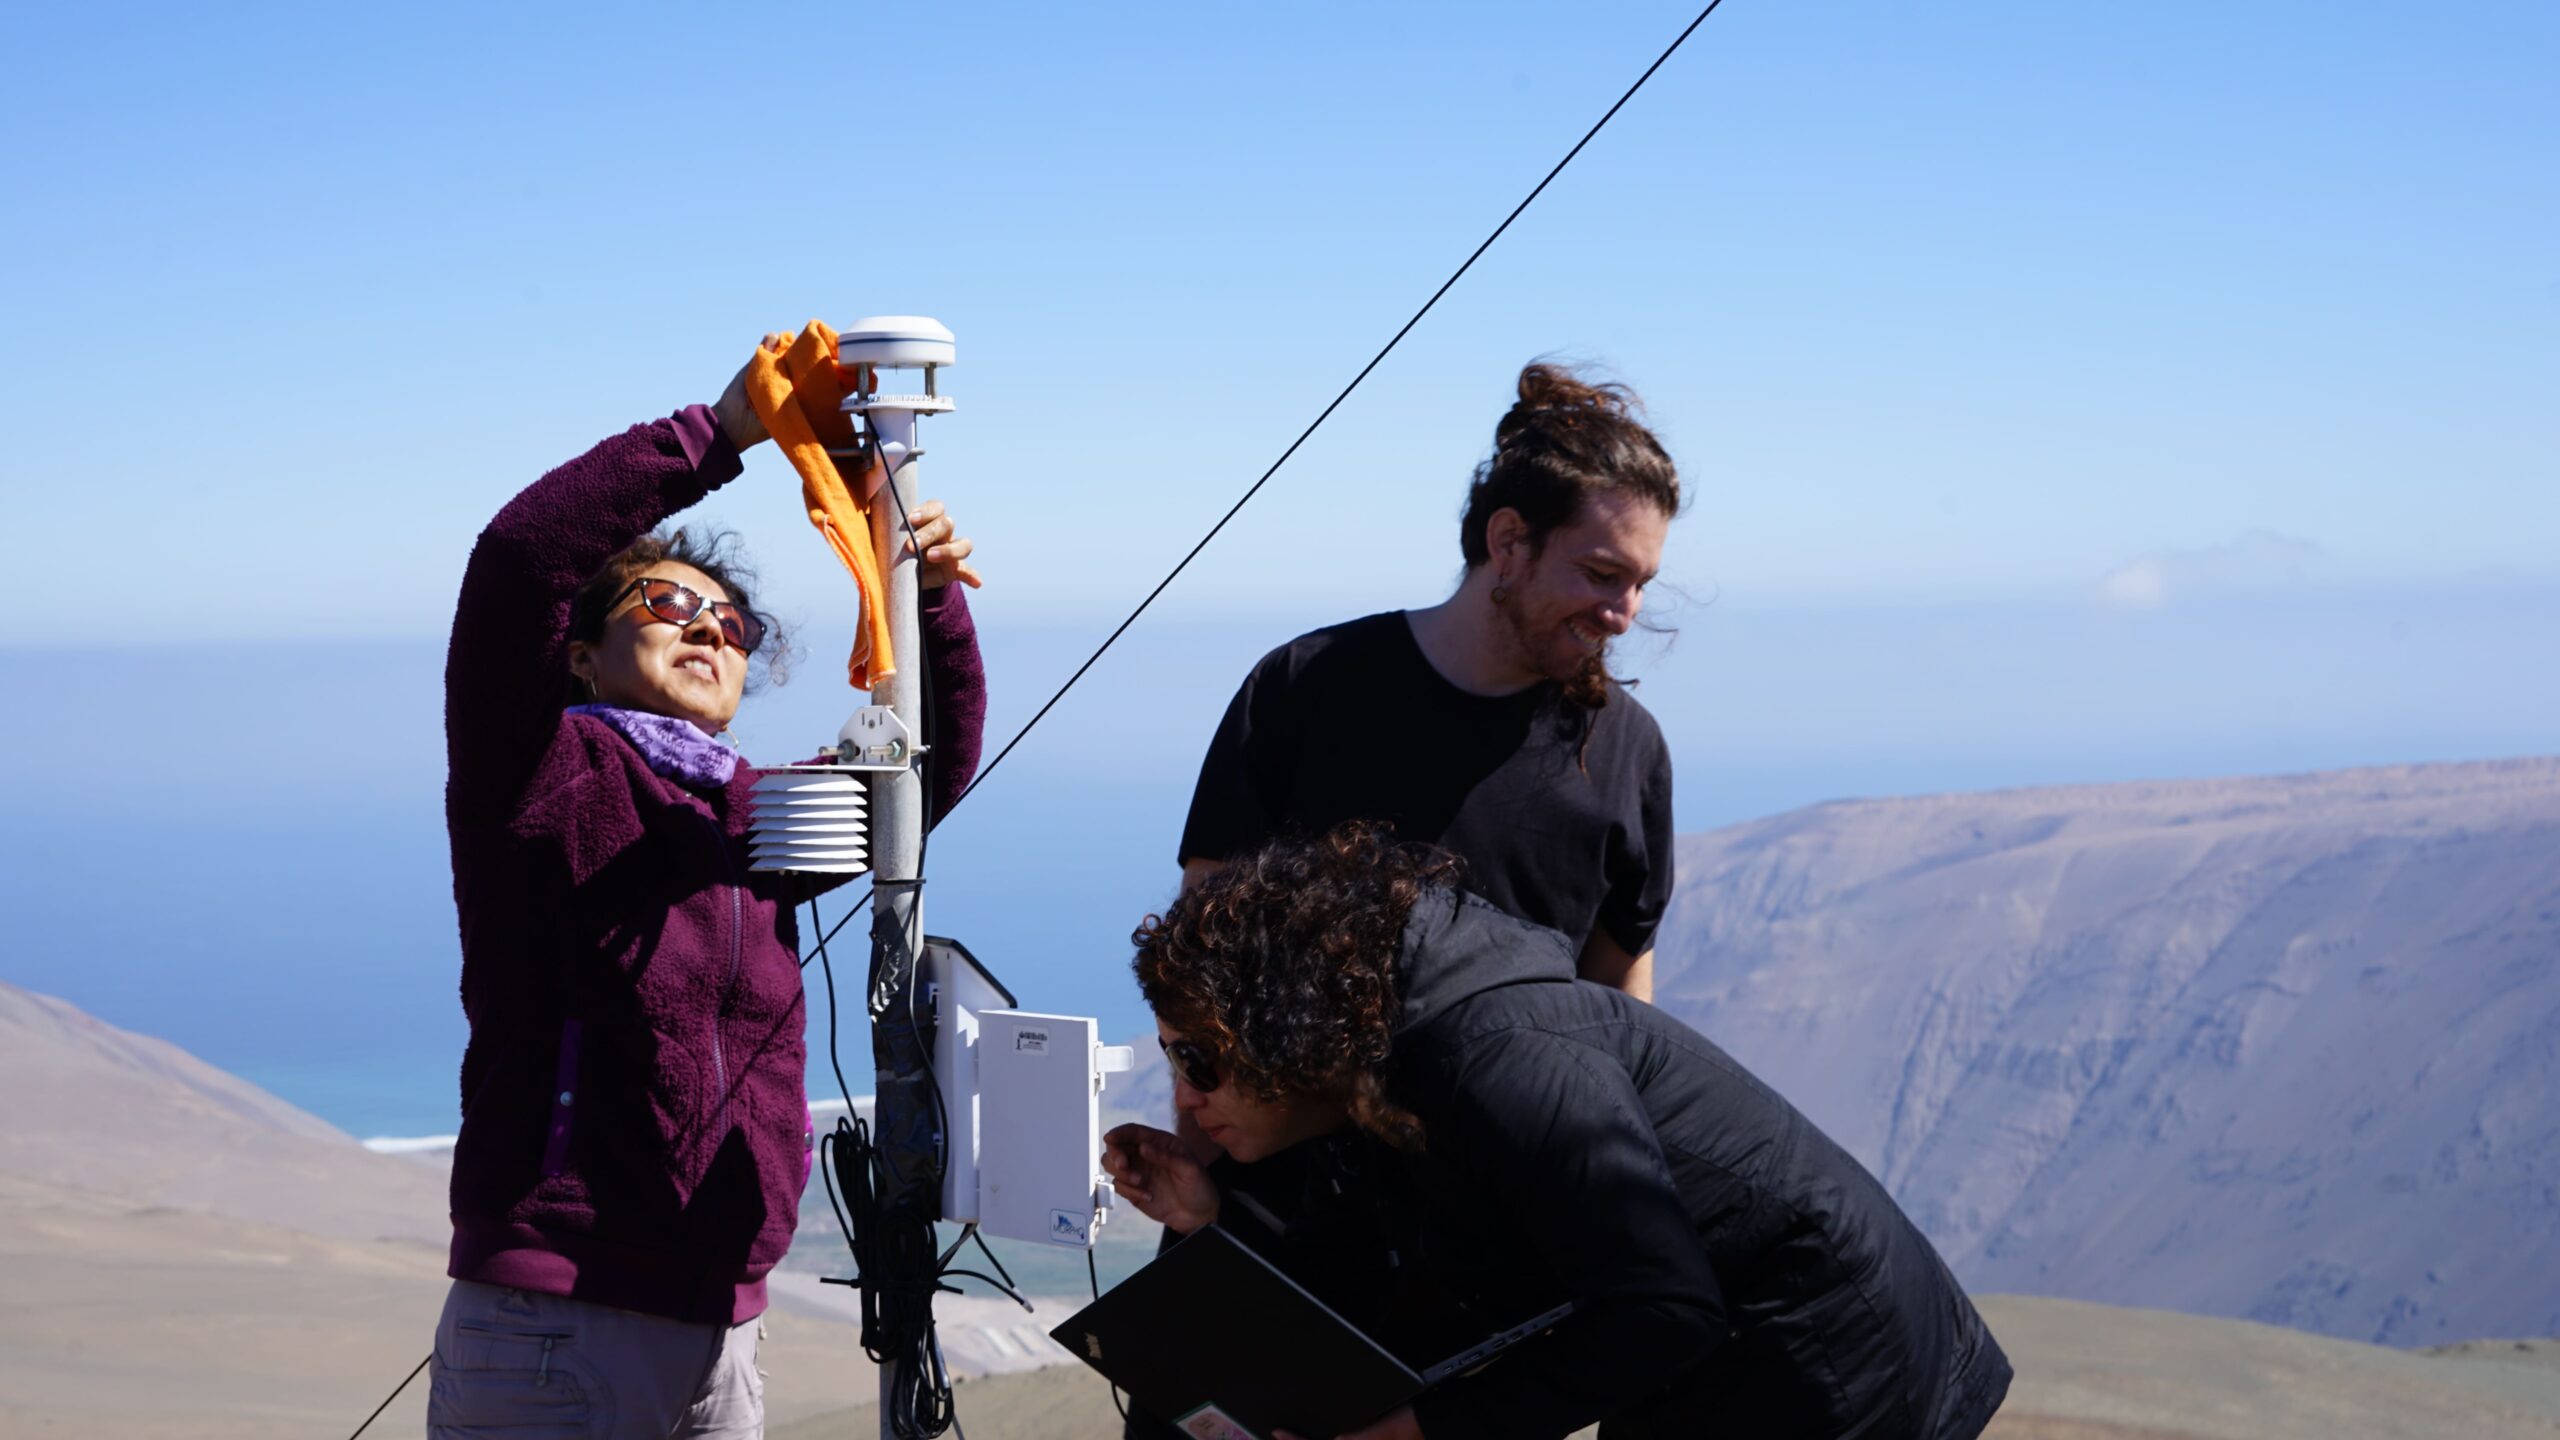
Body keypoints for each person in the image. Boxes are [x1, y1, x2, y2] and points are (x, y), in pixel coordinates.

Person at [429, 347, 987, 1438]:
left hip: (723, 1324)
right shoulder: (537, 776)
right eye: (669, 602)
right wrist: (718, 432)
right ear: (581, 654)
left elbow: (923, 782)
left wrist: (929, 605)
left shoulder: (753, 814)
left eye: (733, 626)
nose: (706, 627)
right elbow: (516, 563)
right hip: (557, 1312)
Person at [1104, 825, 2012, 1440]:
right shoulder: (1379, 1064)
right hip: (1717, 1354)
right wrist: (1209, 1218)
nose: (1185, 1101)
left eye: (1202, 1062)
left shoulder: (1501, 1063)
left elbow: (1665, 1306)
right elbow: (1381, 1268)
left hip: (1826, 1361)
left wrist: (1429, 1430)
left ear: (1283, 1032)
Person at [1179, 361, 1679, 1001]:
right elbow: (1200, 956)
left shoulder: (1627, 752)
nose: (1624, 612)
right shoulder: (1305, 688)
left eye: (1641, 584)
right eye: (1601, 573)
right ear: (1508, 540)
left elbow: (1620, 1000)